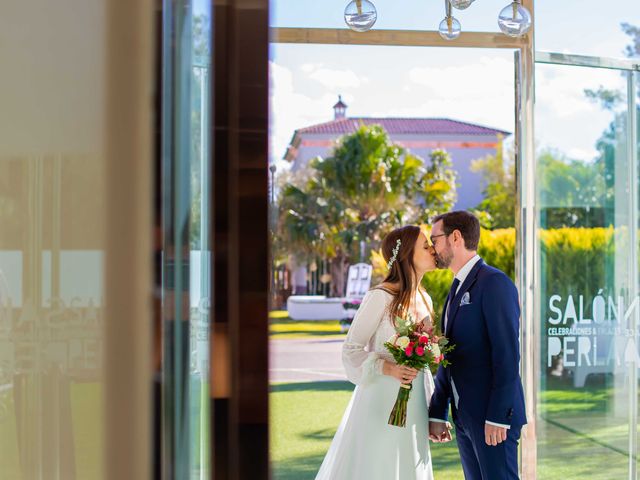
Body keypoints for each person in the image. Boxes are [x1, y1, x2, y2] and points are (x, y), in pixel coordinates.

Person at [316, 225, 443, 480]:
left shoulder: (425, 299)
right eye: (425, 245)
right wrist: (389, 368)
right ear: (407, 255)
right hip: (380, 401)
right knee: (377, 467)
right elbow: (351, 350)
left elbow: (426, 365)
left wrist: (434, 411)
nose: (433, 249)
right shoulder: (380, 297)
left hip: (415, 402)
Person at [427, 211, 527, 479]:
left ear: (455, 238)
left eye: (434, 239)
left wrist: (497, 416)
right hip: (465, 418)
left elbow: (507, 354)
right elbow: (450, 356)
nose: (432, 248)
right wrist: (438, 410)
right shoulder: (455, 288)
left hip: (492, 418)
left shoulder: (494, 283)